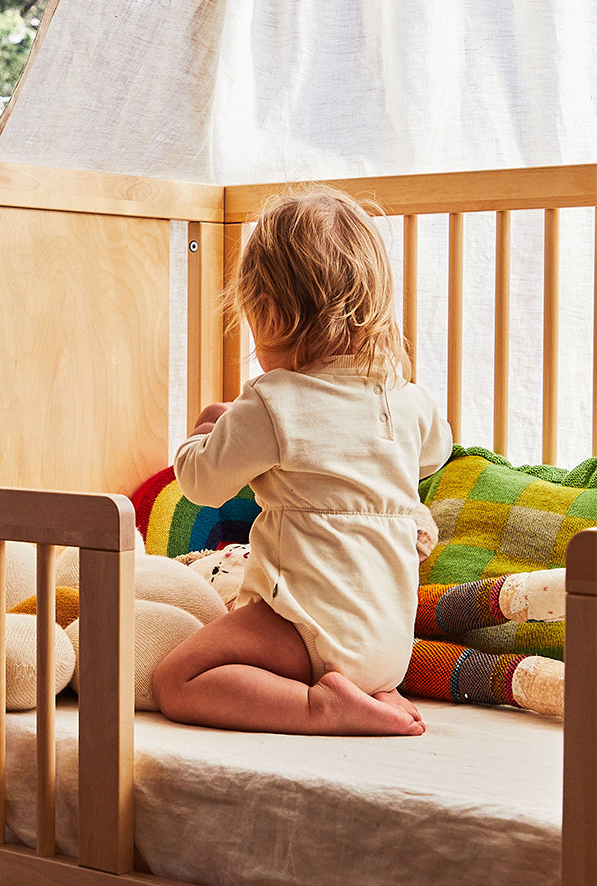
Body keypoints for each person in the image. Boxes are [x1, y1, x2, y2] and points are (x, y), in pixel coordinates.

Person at [152, 186, 453, 736]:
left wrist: (202, 433)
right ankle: (367, 691)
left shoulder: (271, 401)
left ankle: (320, 707)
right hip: (389, 644)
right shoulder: (407, 398)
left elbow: (199, 483)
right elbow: (435, 454)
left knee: (176, 680)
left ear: (267, 312)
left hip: (306, 630)